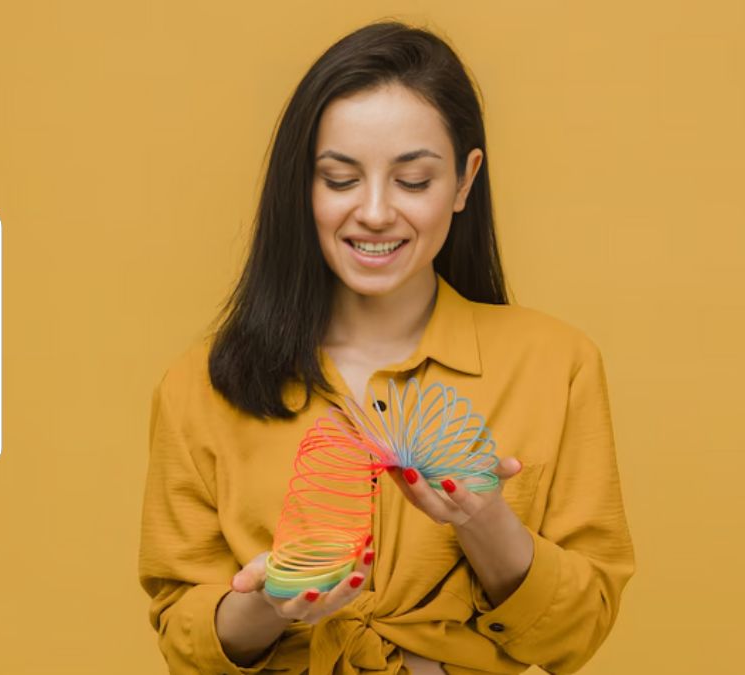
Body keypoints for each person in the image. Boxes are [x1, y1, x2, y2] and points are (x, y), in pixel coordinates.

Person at [137, 20, 634, 675]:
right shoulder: (199, 385)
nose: (373, 212)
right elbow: (183, 633)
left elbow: (579, 629)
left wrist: (485, 520)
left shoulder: (557, 365)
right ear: (302, 187)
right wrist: (273, 604)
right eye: (340, 178)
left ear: (463, 181)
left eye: (413, 180)